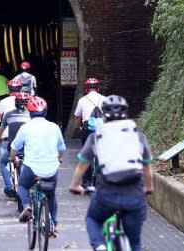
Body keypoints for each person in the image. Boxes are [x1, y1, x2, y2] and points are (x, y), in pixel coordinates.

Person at [68, 95, 154, 251]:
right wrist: (148, 189)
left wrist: (75, 186)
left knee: (93, 219)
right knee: (135, 243)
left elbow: (82, 165)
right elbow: (147, 168)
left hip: (107, 194)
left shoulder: (97, 136)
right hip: (134, 196)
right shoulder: (138, 137)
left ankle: (99, 246)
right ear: (126, 113)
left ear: (103, 115)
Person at [11, 96, 65, 237]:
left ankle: (27, 205)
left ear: (29, 112)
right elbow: (62, 148)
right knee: (51, 194)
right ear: (46, 112)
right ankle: (53, 223)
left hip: (31, 168)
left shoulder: (25, 128)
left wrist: (13, 159)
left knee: (22, 186)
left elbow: (14, 147)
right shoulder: (54, 127)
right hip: (51, 169)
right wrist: (59, 159)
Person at [0, 78, 23, 196]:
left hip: (8, 138)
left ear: (9, 89)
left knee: (3, 162)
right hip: (25, 140)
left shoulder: (3, 102)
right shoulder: (27, 101)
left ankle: (9, 187)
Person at [0, 92, 31, 198]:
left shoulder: (9, 114)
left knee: (2, 162)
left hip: (12, 147)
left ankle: (9, 187)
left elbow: (1, 130)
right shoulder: (31, 115)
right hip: (27, 147)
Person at [73, 78, 105, 189]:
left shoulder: (82, 100)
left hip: (88, 129)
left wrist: (78, 128)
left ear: (86, 89)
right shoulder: (105, 99)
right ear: (98, 88)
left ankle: (85, 181)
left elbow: (77, 117)